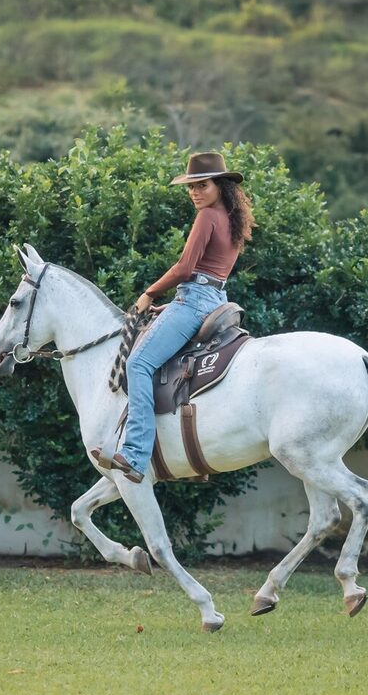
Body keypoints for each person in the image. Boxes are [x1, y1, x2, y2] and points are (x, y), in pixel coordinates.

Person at [93, 151, 254, 483]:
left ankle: (136, 454)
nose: (195, 192)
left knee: (138, 364)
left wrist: (149, 294)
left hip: (195, 301)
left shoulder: (208, 216)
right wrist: (174, 306)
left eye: (202, 185)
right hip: (214, 300)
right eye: (191, 187)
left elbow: (184, 269)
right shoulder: (231, 217)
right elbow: (210, 274)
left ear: (220, 186)